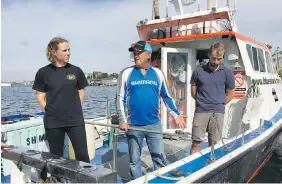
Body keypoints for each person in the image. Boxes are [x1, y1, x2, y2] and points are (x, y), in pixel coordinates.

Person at [116, 40, 186, 180]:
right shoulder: (126, 73)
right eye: (134, 53)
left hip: (154, 124)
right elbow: (120, 98)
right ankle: (137, 180)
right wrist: (122, 120)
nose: (136, 55)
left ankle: (159, 180)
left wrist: (176, 115)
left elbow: (166, 97)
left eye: (139, 53)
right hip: (133, 125)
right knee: (134, 161)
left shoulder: (158, 74)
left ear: (148, 55)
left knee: (158, 157)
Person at [32, 37, 90, 163]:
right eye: (64, 50)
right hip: (53, 123)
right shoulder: (43, 72)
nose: (68, 53)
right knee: (56, 158)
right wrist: (50, 111)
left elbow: (81, 92)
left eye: (69, 50)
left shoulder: (76, 71)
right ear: (53, 51)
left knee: (83, 156)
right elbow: (40, 96)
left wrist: (74, 109)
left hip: (75, 121)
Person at [189, 43, 235, 155]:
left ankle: (212, 164)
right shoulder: (198, 71)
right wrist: (202, 102)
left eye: (219, 59)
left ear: (222, 57)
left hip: (218, 112)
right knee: (196, 142)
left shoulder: (227, 73)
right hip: (201, 111)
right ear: (209, 54)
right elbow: (193, 92)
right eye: (213, 58)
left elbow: (230, 94)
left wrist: (218, 104)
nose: (215, 61)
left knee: (214, 144)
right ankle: (193, 169)